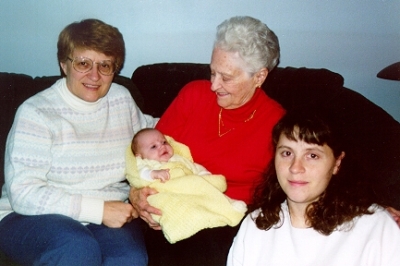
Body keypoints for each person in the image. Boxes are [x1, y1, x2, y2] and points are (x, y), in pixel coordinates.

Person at [129, 16, 286, 265]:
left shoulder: (277, 123)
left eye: (226, 77)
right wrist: (136, 192)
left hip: (229, 216)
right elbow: (144, 153)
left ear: (259, 77)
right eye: (212, 72)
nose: (213, 85)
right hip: (176, 205)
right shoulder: (193, 94)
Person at [0, 19, 156, 265]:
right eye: (83, 63)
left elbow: (152, 131)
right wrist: (99, 210)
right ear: (64, 64)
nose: (94, 76)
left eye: (105, 65)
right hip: (30, 217)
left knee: (129, 258)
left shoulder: (121, 100)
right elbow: (24, 193)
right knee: (76, 248)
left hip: (108, 214)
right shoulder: (36, 113)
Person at [227, 110, 400, 265]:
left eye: (312, 155)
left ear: (337, 163)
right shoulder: (256, 225)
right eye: (287, 153)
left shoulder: (376, 228)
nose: (295, 167)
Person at [126, 128, 246, 244]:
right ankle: (183, 222)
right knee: (170, 204)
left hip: (189, 189)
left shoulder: (179, 159)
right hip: (166, 192)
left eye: (164, 142)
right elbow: (140, 174)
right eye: (153, 146)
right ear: (139, 156)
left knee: (206, 194)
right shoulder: (145, 163)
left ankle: (225, 209)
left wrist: (206, 177)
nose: (162, 146)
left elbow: (196, 169)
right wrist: (154, 173)